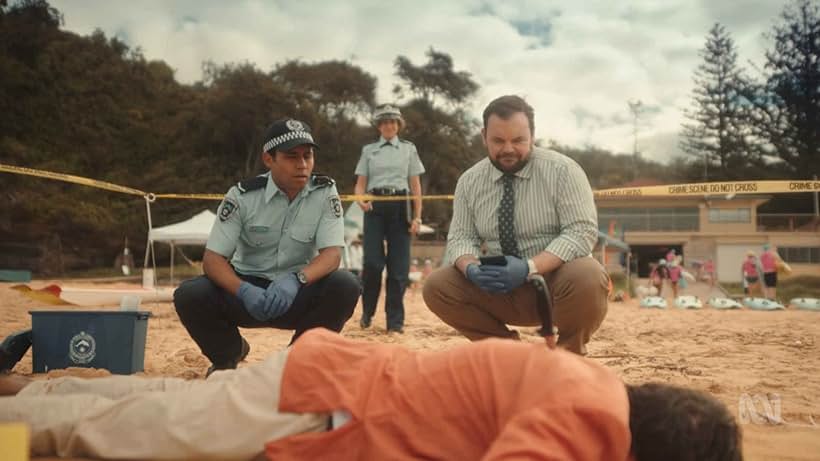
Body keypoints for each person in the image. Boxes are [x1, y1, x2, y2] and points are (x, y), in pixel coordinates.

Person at [0, 328, 743, 461]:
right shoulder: (593, 421)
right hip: (315, 405)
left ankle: (33, 386)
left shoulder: (598, 387)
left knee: (152, 401)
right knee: (105, 435)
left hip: (320, 385)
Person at [173, 118, 361, 375]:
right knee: (190, 294)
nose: (303, 164)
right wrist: (243, 290)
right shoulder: (242, 196)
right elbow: (213, 259)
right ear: (268, 159)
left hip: (297, 290)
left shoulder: (325, 192)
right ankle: (228, 355)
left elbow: (332, 255)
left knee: (345, 285)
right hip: (246, 291)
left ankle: (297, 362)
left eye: (308, 156)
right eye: (291, 156)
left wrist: (297, 279)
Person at [423, 95, 608, 355]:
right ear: (483, 136)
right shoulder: (469, 182)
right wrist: (471, 268)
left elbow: (581, 233)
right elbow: (460, 238)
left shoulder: (564, 171)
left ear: (532, 135)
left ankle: (569, 355)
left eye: (518, 140)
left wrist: (528, 267)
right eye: (498, 140)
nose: (508, 149)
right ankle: (510, 353)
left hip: (556, 283)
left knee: (589, 275)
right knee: (437, 286)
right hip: (499, 287)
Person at [354, 104, 425, 333]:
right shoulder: (368, 150)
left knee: (399, 269)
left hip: (400, 206)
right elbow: (360, 184)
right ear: (379, 126)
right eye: (384, 122)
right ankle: (367, 313)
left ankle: (395, 322)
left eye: (392, 122)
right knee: (373, 264)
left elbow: (415, 186)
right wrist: (360, 199)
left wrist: (417, 217)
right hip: (375, 206)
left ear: (398, 125)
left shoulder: (408, 149)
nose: (388, 126)